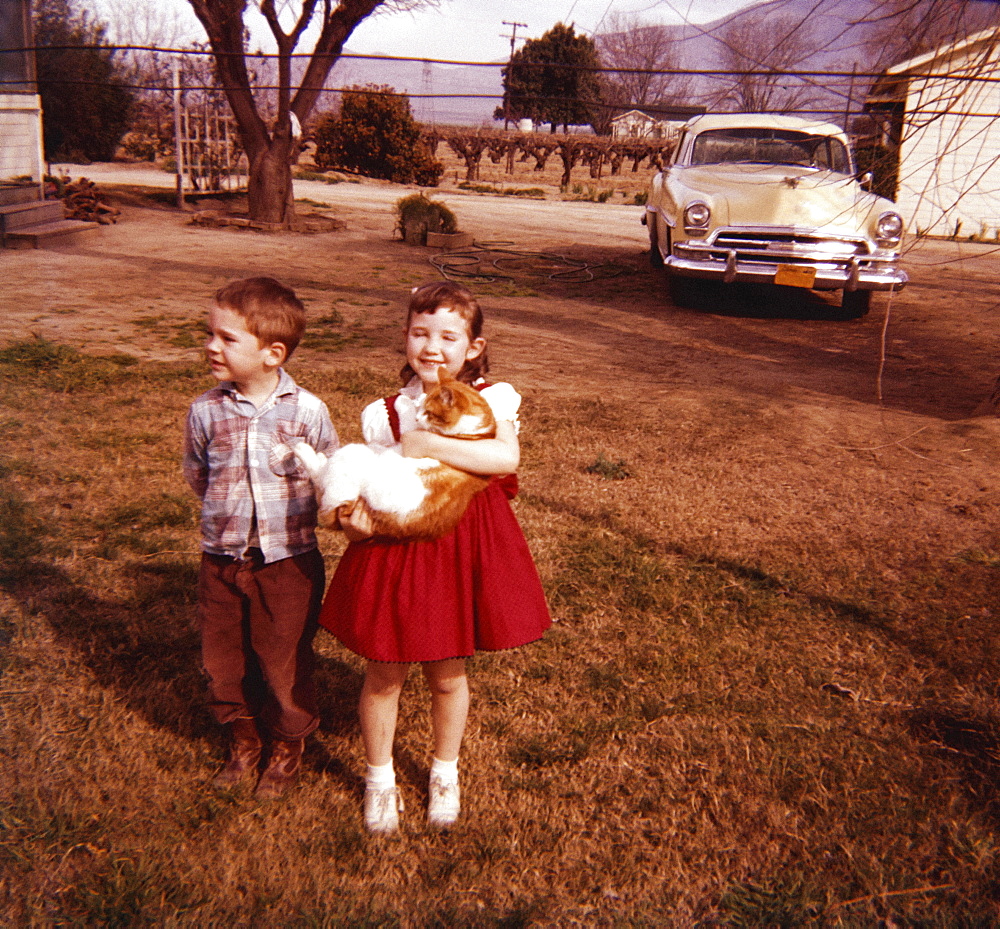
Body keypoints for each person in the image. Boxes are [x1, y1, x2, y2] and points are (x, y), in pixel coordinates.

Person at [318, 280, 551, 833]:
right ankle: (380, 778)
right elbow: (369, 481)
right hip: (399, 547)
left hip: (464, 543)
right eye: (420, 333)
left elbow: (503, 457)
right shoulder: (385, 413)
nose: (432, 347)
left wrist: (425, 446)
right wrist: (353, 523)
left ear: (472, 347)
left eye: (449, 336)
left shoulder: (493, 397)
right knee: (385, 670)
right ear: (405, 338)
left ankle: (444, 770)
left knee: (449, 670)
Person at [183, 276, 338, 799]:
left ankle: (287, 743)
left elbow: (329, 477)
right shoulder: (205, 410)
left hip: (288, 562)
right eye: (210, 334)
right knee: (221, 657)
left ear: (274, 353)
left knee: (283, 657)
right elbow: (199, 475)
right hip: (221, 560)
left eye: (227, 338)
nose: (211, 346)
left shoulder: (308, 412)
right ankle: (243, 737)